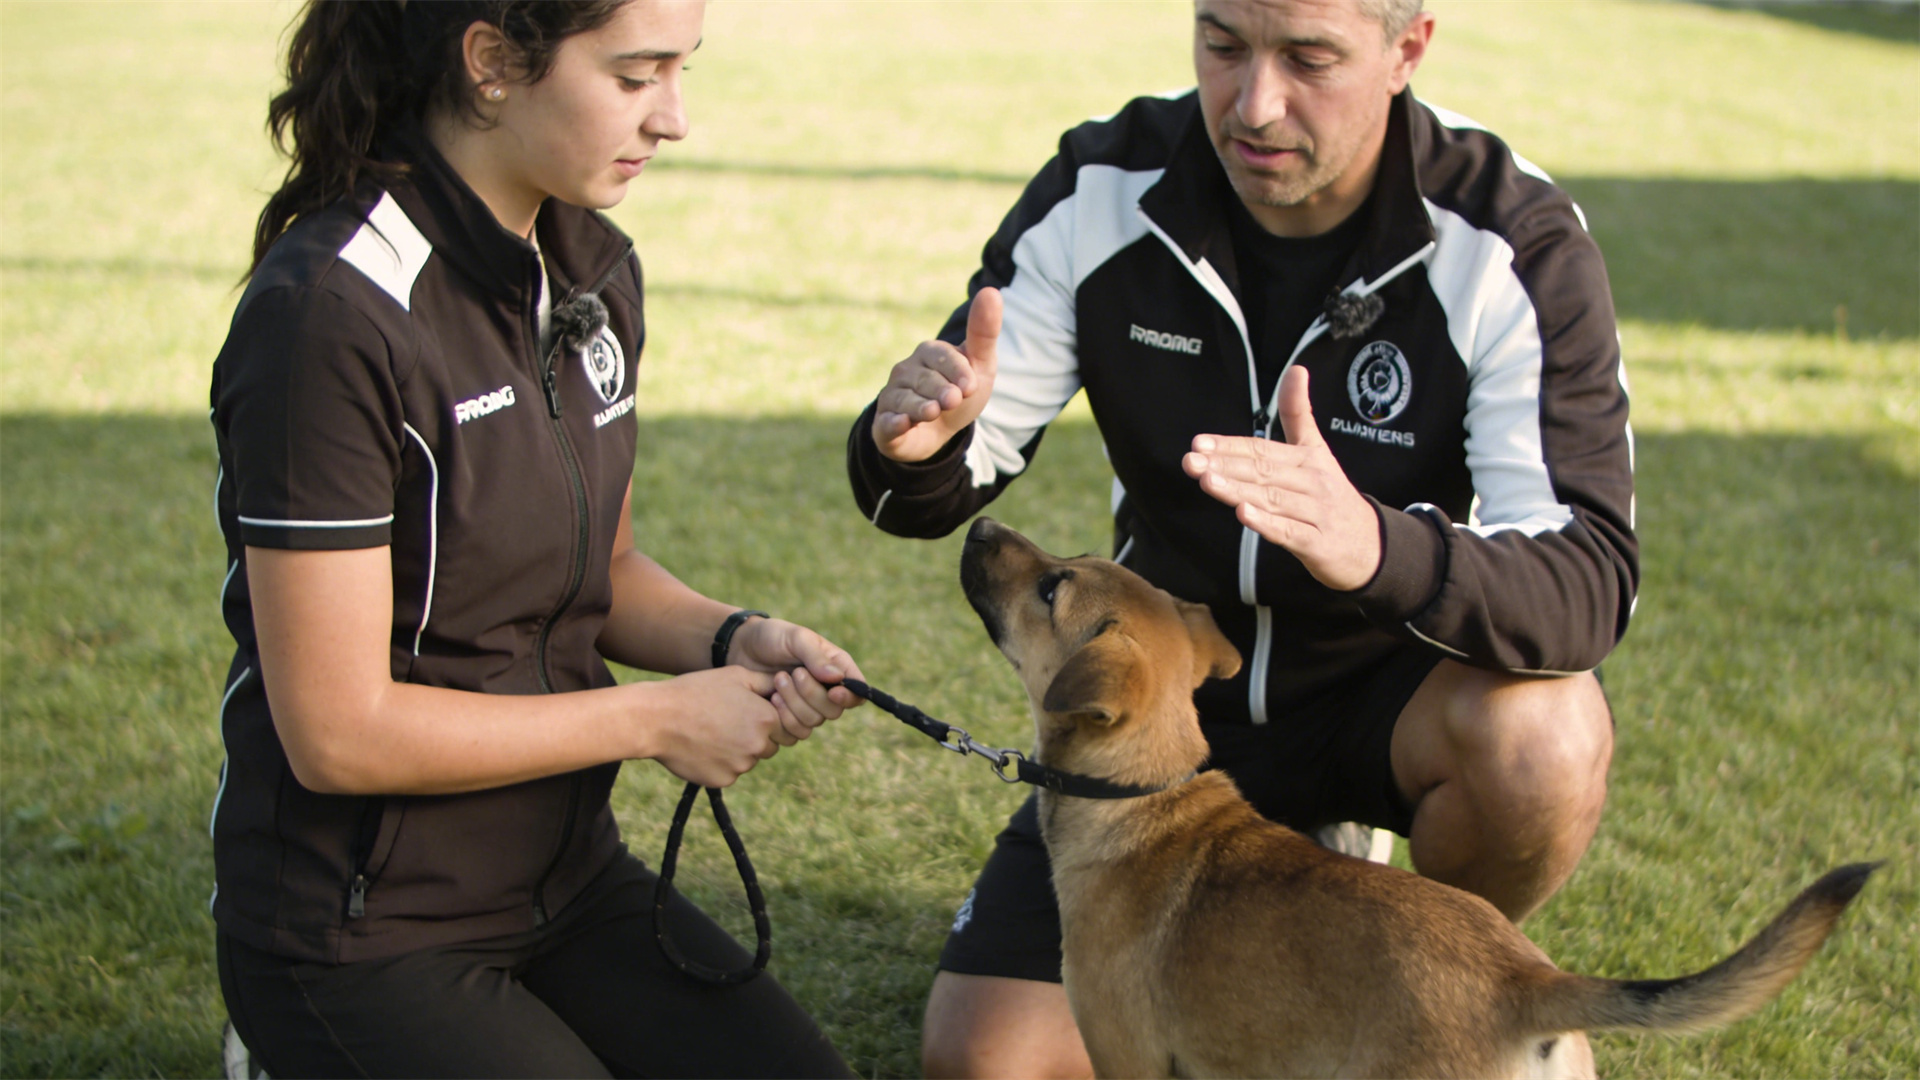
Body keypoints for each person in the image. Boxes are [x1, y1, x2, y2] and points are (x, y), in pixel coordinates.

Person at [844, 1, 1633, 1076]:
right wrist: (910, 450)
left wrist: (1377, 548)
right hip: (1163, 714)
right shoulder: (1106, 187)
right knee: (987, 1065)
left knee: (1544, 739)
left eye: (1309, 58)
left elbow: (1586, 582)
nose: (1253, 103)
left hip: (1381, 710)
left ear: (1408, 49)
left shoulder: (1505, 240)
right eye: (1222, 45)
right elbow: (933, 486)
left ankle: (1413, 985)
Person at [208, 2, 862, 1075]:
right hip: (361, 935)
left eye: (681, 71)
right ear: (492, 64)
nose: (675, 119)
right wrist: (653, 719)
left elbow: (604, 571)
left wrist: (734, 637)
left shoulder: (591, 264)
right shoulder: (328, 314)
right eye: (636, 75)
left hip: (567, 882)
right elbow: (336, 733)